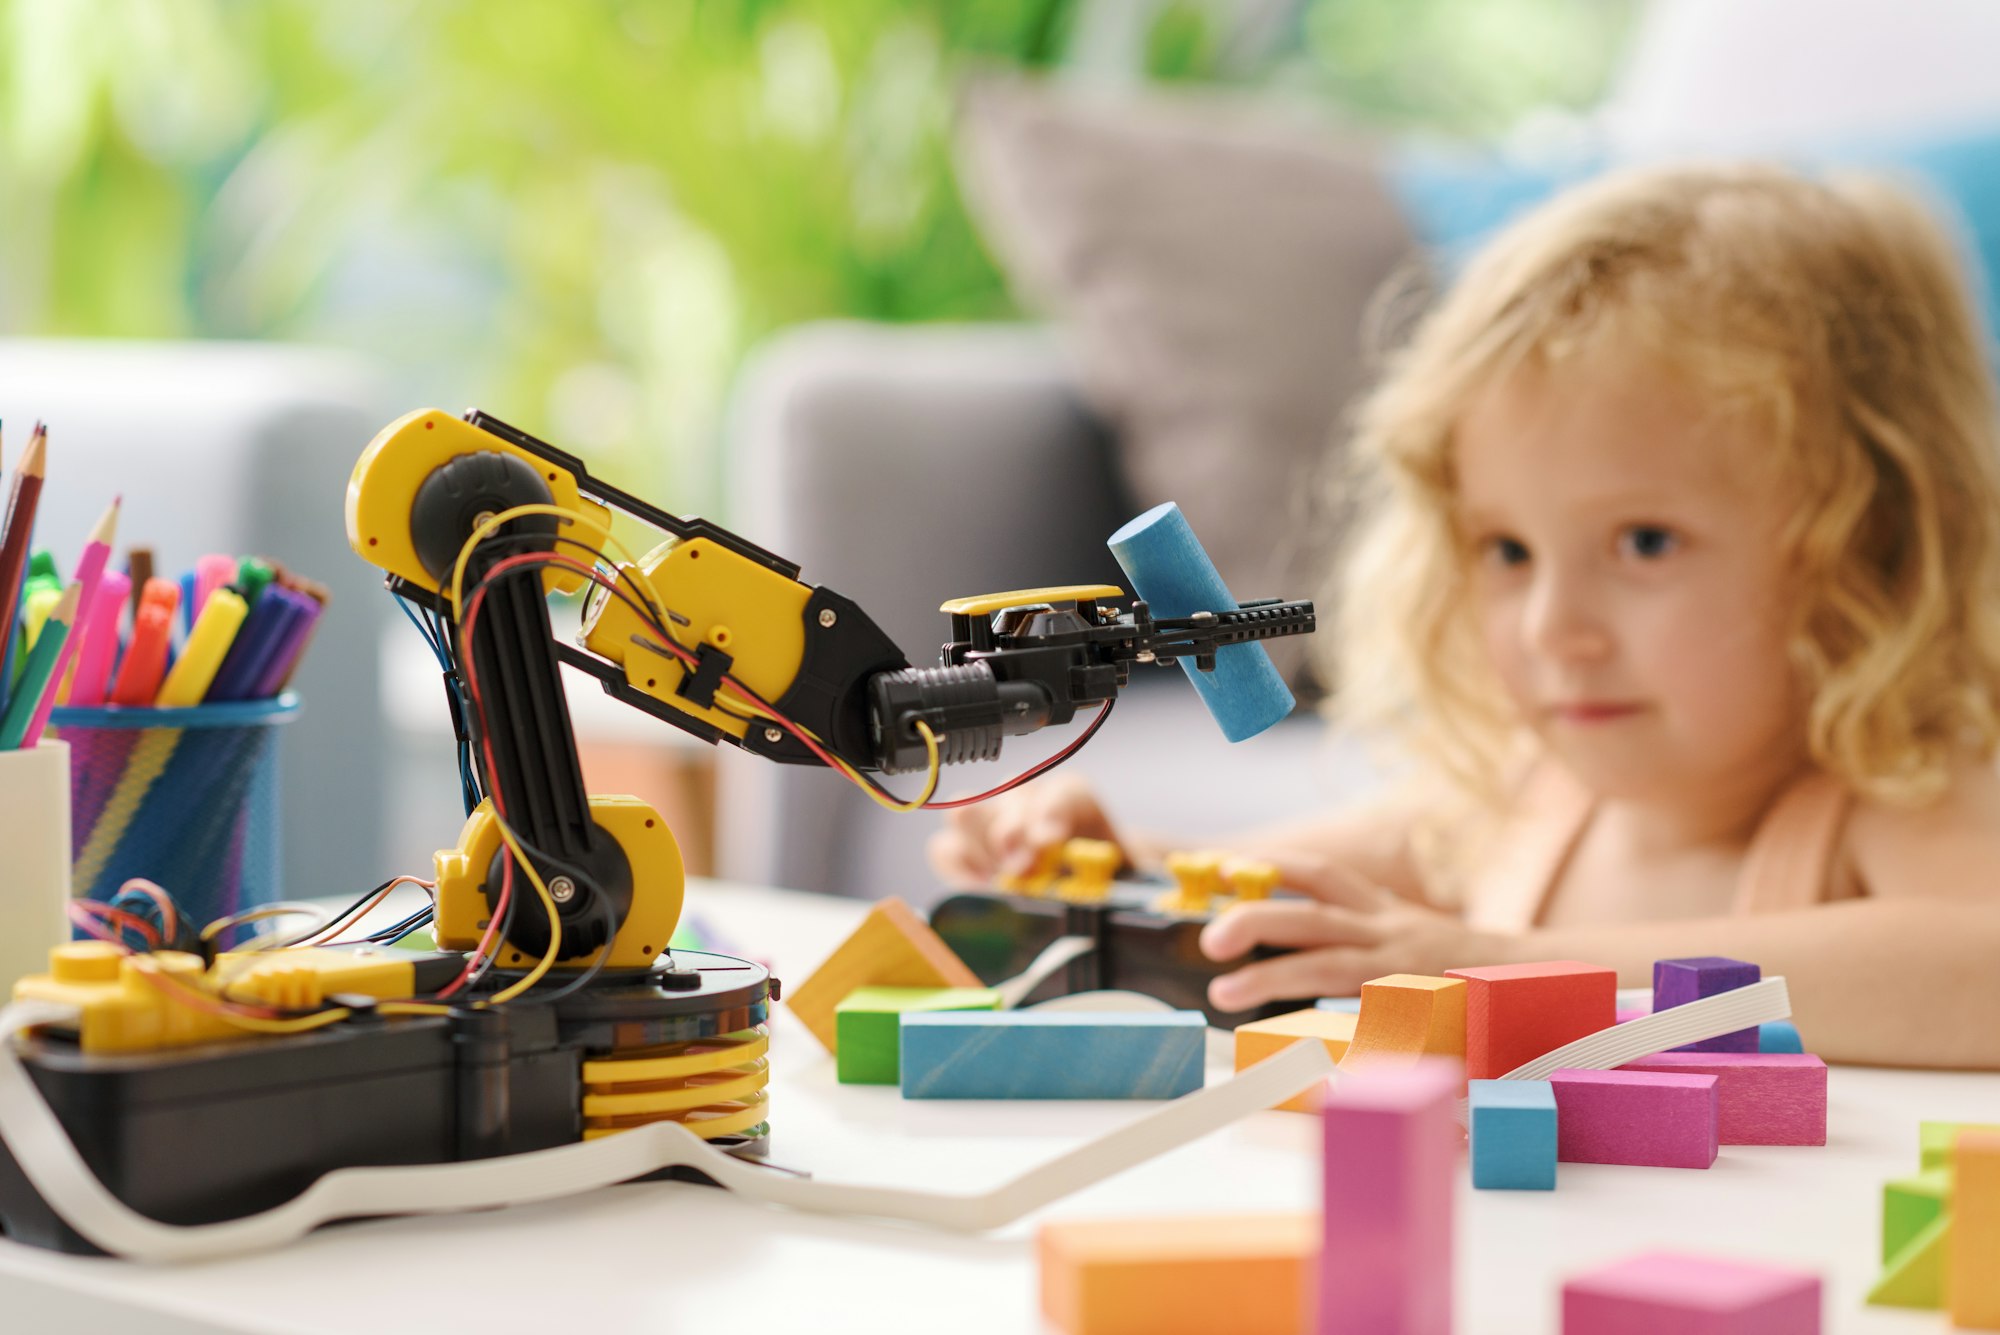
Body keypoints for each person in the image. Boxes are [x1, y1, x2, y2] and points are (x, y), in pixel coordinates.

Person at [929, 164, 2000, 1068]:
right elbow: (1279, 905)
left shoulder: (1894, 790)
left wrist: (1487, 957)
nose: (1550, 629)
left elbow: (1976, 972)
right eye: (1506, 551)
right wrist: (1112, 867)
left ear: (1874, 539)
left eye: (1643, 543)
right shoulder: (1518, 804)